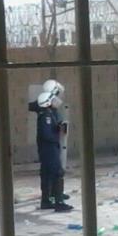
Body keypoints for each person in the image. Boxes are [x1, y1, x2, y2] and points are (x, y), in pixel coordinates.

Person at [28, 80, 73, 212]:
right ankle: (58, 201)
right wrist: (57, 131)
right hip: (49, 147)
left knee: (47, 173)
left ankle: (48, 199)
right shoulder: (45, 114)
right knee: (56, 172)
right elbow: (47, 133)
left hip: (48, 147)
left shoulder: (48, 111)